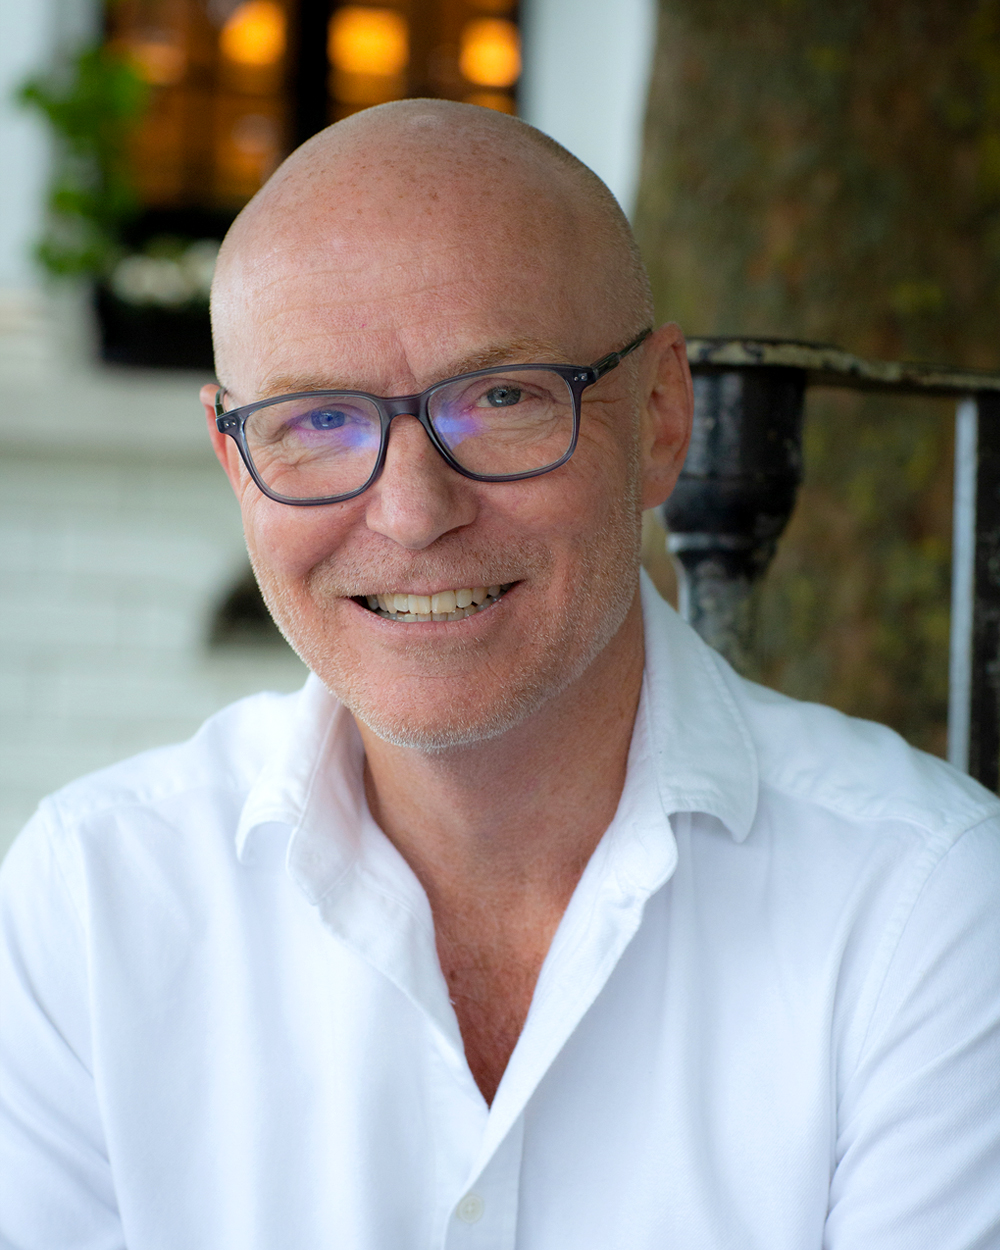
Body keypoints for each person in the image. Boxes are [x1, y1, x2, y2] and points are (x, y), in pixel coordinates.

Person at [2, 100, 999, 1250]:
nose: (412, 511)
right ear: (236, 459)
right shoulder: (91, 900)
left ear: (660, 416)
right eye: (318, 418)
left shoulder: (925, 905)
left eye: (502, 397)